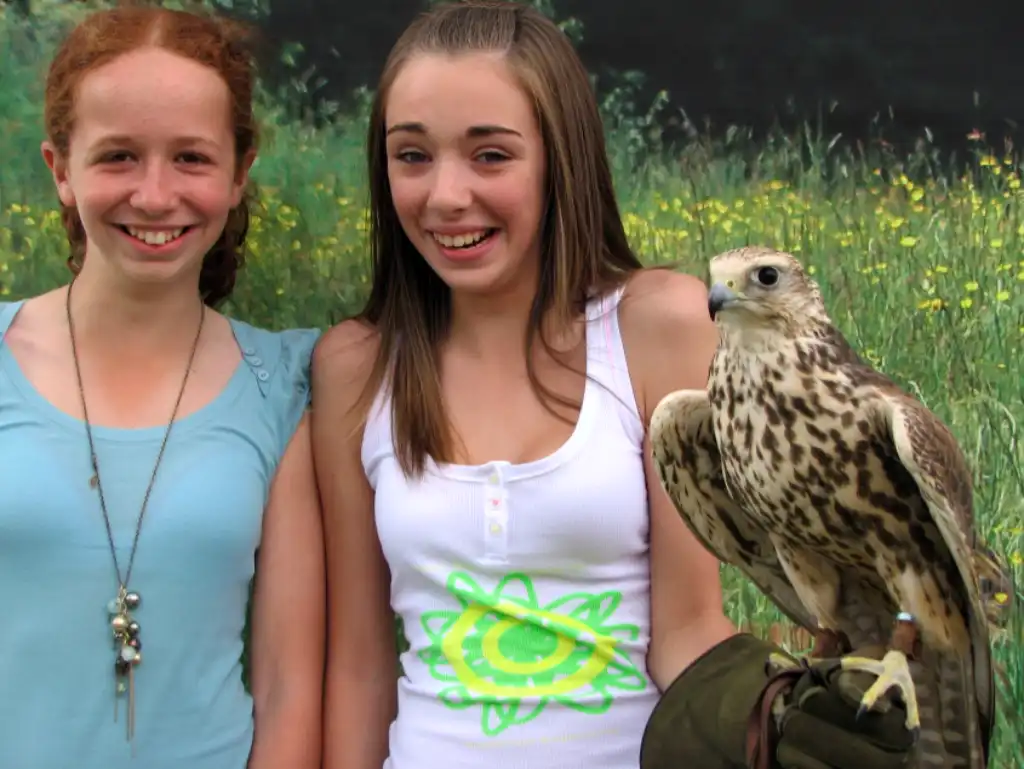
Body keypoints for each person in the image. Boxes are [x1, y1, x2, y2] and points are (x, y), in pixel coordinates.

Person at [311, 2, 916, 768]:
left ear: (561, 157)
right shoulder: (357, 367)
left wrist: (773, 715)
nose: (446, 195)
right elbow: (360, 667)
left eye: (490, 155)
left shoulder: (656, 329)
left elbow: (687, 629)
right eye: (412, 156)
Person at [0, 6, 324, 769]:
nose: (153, 195)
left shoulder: (283, 387)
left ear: (239, 173)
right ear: (60, 170)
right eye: (117, 156)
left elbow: (288, 685)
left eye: (191, 158)